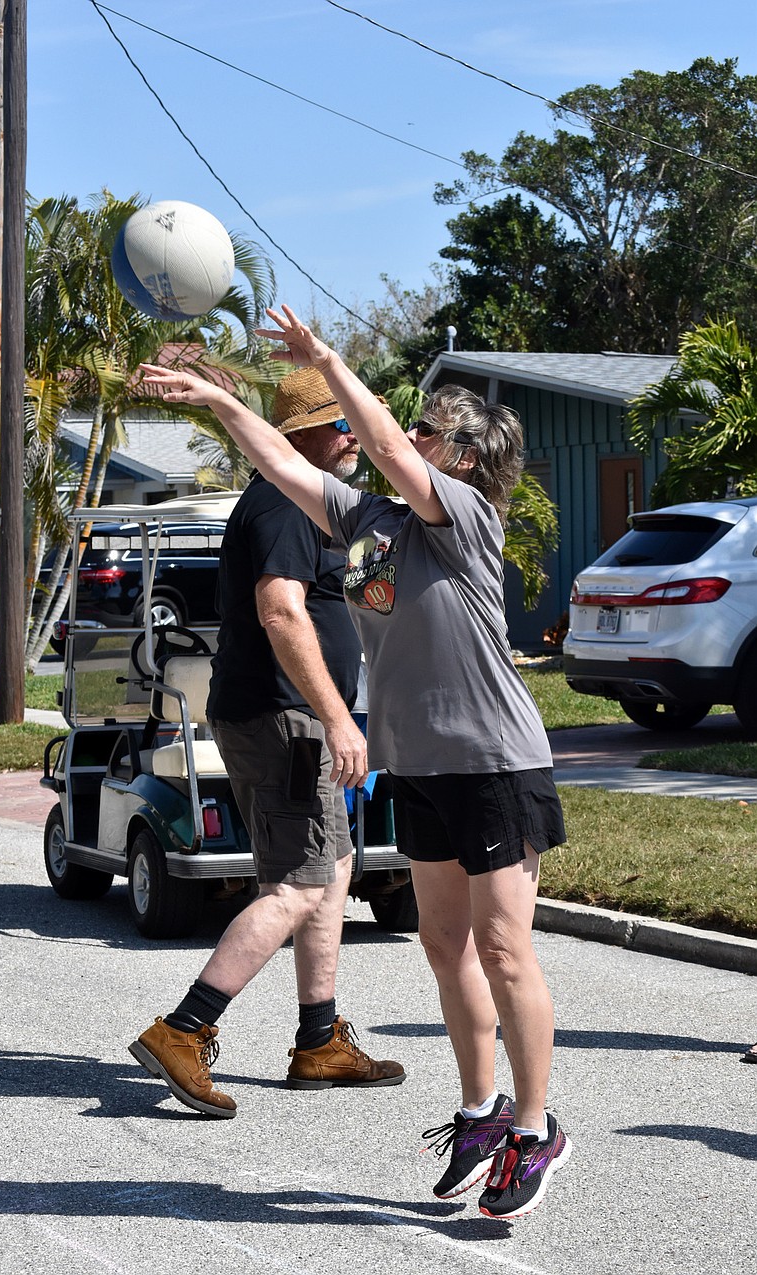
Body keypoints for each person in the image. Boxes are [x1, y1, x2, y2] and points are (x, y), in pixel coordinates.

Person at [139, 304, 572, 1218]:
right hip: (420, 764)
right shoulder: (373, 523)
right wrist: (217, 402)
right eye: (412, 425)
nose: (406, 436)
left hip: (495, 760)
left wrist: (327, 359)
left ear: (462, 458)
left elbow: (376, 440)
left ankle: (536, 1129)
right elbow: (284, 464)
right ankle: (481, 1111)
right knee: (444, 944)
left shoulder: (465, 515)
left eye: (427, 430)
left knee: (503, 947)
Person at [128, 364, 405, 1119]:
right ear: (299, 435)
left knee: (333, 867)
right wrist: (337, 718)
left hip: (297, 718)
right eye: (339, 423)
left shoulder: (315, 505)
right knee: (297, 884)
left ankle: (320, 1041)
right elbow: (281, 611)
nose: (352, 435)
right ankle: (183, 1029)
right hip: (286, 719)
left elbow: (361, 597)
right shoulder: (282, 504)